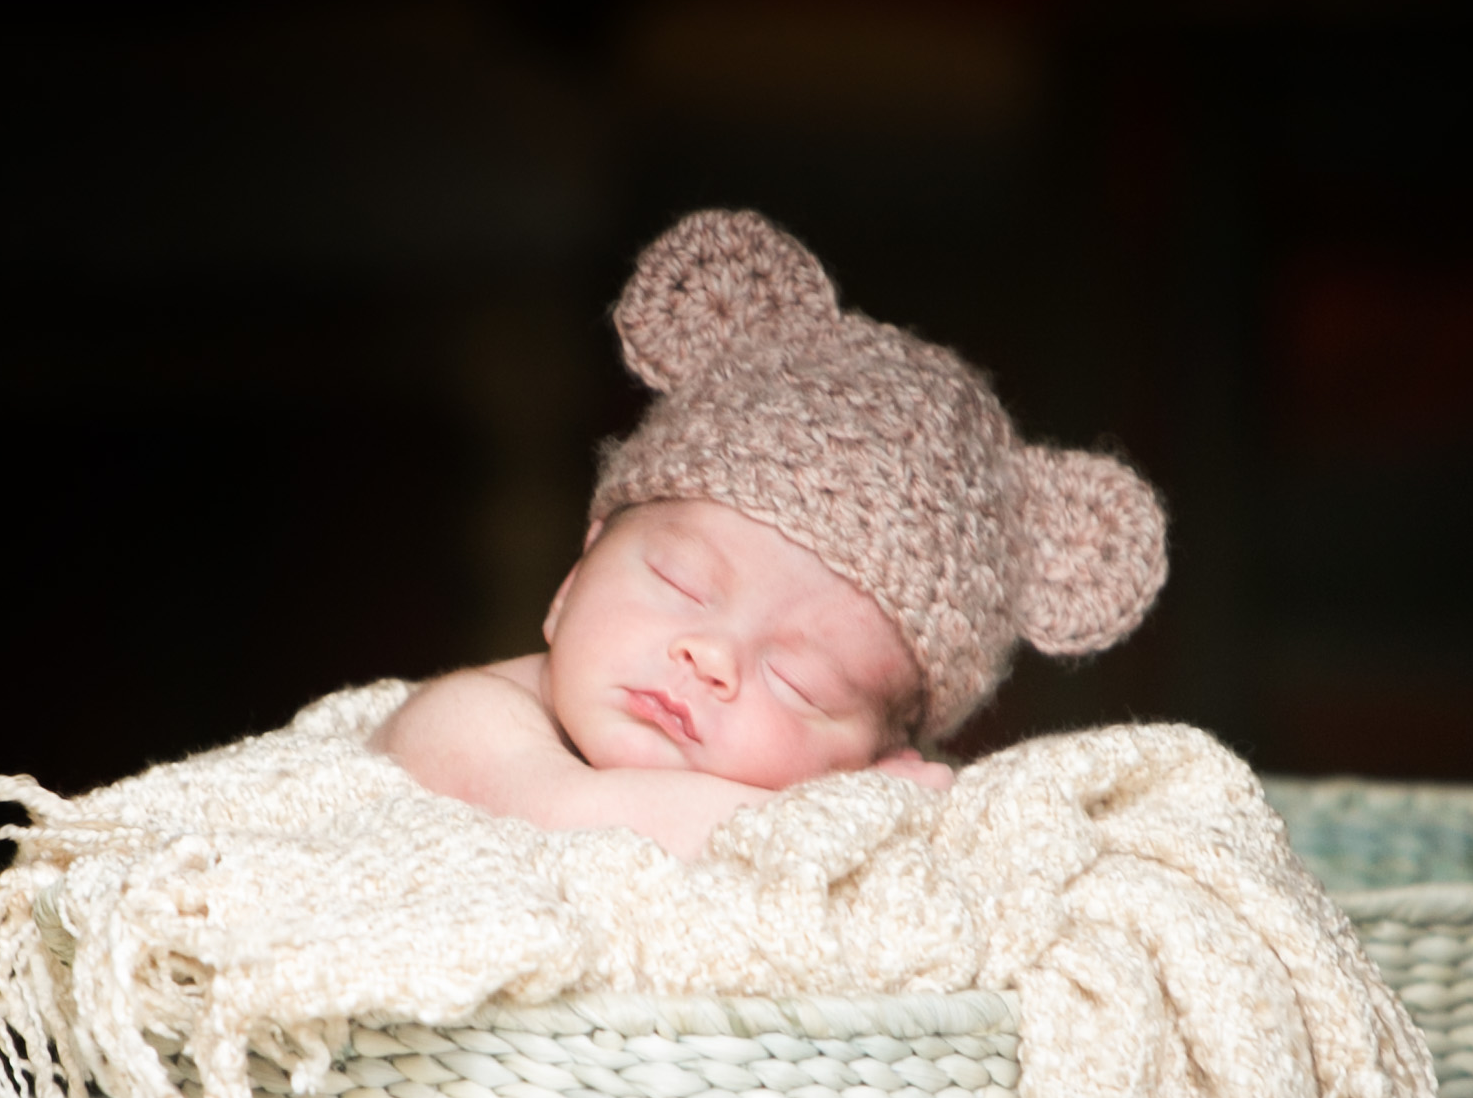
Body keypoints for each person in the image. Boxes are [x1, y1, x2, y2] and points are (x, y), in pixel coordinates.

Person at [373, 209, 1169, 860]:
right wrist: (847, 822)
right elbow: (568, 819)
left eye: (798, 683)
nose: (710, 657)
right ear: (571, 581)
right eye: (680, 584)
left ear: (868, 762)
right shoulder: (469, 718)